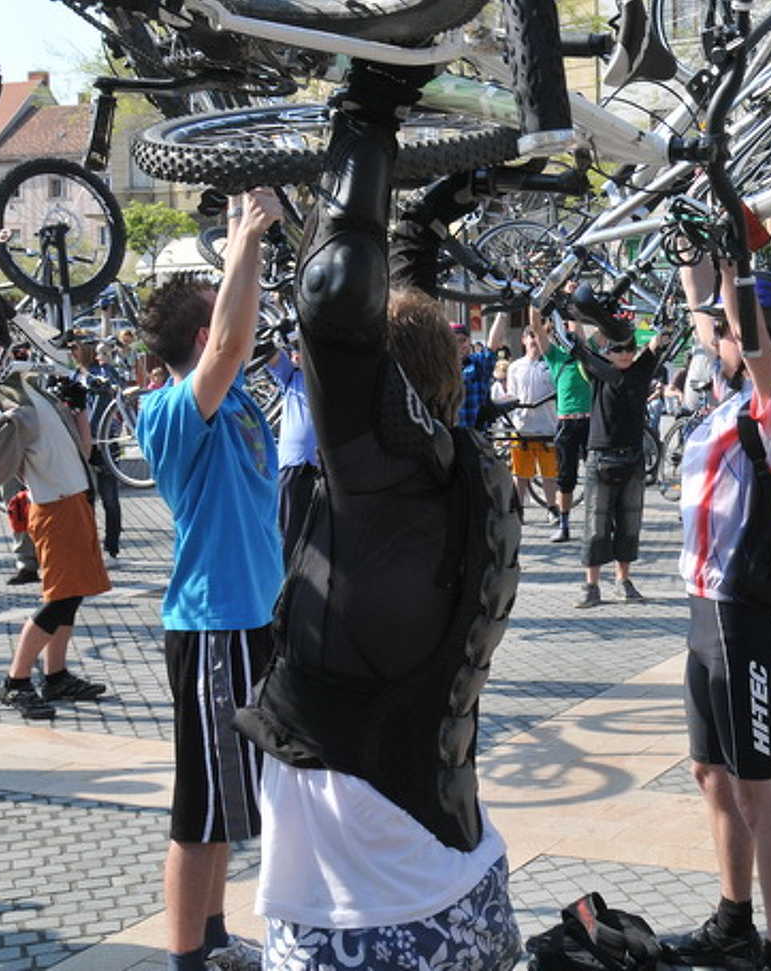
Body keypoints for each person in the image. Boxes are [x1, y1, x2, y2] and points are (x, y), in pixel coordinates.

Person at [233, 117, 523, 971]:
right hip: (450, 880)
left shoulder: (378, 490)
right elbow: (404, 338)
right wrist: (421, 225)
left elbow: (332, 306)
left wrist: (365, 126)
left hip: (371, 914)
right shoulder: (459, 473)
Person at [135, 192, 287, 971]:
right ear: (202, 335)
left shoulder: (232, 408)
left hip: (253, 619)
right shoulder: (166, 410)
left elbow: (237, 341)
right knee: (198, 810)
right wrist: (244, 248)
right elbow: (229, 344)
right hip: (211, 626)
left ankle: (218, 937)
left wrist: (243, 249)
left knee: (231, 802)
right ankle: (187, 958)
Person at [659, 262, 771, 971]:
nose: (718, 334)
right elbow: (712, 317)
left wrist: (735, 264)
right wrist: (706, 251)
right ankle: (733, 922)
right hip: (704, 612)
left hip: (742, 618)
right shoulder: (729, 406)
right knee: (710, 773)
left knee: (758, 790)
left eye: (730, 328)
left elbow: (747, 338)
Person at [0, 351, 111, 720]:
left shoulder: (39, 397)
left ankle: (56, 675)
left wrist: (78, 410)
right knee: (59, 600)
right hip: (54, 508)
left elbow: (84, 451)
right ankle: (15, 682)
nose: (24, 357)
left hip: (76, 501)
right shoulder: (13, 409)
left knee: (73, 595)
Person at [572, 323, 667, 607]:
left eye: (630, 348)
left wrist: (663, 328)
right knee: (596, 523)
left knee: (629, 523)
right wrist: (598, 319)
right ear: (606, 351)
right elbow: (582, 345)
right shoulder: (599, 371)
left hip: (633, 456)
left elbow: (655, 344)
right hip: (600, 455)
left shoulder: (641, 370)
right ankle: (591, 585)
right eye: (618, 349)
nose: (625, 354)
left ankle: (623, 580)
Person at [534, 311, 593, 544]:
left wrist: (574, 311)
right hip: (567, 423)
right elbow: (537, 330)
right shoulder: (556, 357)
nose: (570, 338)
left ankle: (601, 520)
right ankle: (564, 524)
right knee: (565, 477)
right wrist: (537, 305)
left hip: (590, 421)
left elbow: (580, 334)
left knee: (598, 473)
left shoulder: (586, 357)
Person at [67, 334, 123, 560]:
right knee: (85, 498)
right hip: (82, 445)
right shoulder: (72, 375)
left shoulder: (103, 371)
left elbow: (114, 390)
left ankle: (112, 544)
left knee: (109, 498)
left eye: (76, 348)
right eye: (70, 348)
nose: (72, 352)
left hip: (105, 443)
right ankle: (89, 545)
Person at [496, 325, 558, 520]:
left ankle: (552, 508)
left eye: (538, 337)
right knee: (520, 473)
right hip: (522, 427)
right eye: (530, 337)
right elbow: (512, 394)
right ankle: (518, 508)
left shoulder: (551, 364)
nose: (534, 341)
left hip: (548, 426)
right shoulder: (515, 367)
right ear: (523, 340)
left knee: (549, 473)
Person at [265, 347, 319, 559]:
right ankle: (289, 583)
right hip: (294, 466)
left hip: (325, 468)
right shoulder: (292, 375)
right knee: (291, 534)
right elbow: (268, 352)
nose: (298, 354)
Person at [454, 315, 512, 432]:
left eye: (462, 340)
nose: (459, 345)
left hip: (475, 437)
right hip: (448, 438)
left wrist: (501, 314)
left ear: (469, 341)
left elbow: (492, 345)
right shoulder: (441, 368)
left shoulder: (477, 363)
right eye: (454, 341)